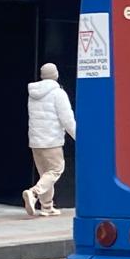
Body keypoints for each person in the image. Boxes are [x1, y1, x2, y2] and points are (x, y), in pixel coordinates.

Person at [24, 63, 76, 217]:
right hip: (51, 141)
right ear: (56, 75)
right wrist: (80, 138)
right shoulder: (58, 93)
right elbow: (67, 120)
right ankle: (34, 193)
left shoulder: (33, 93)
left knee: (45, 175)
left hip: (35, 141)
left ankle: (47, 206)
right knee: (55, 170)